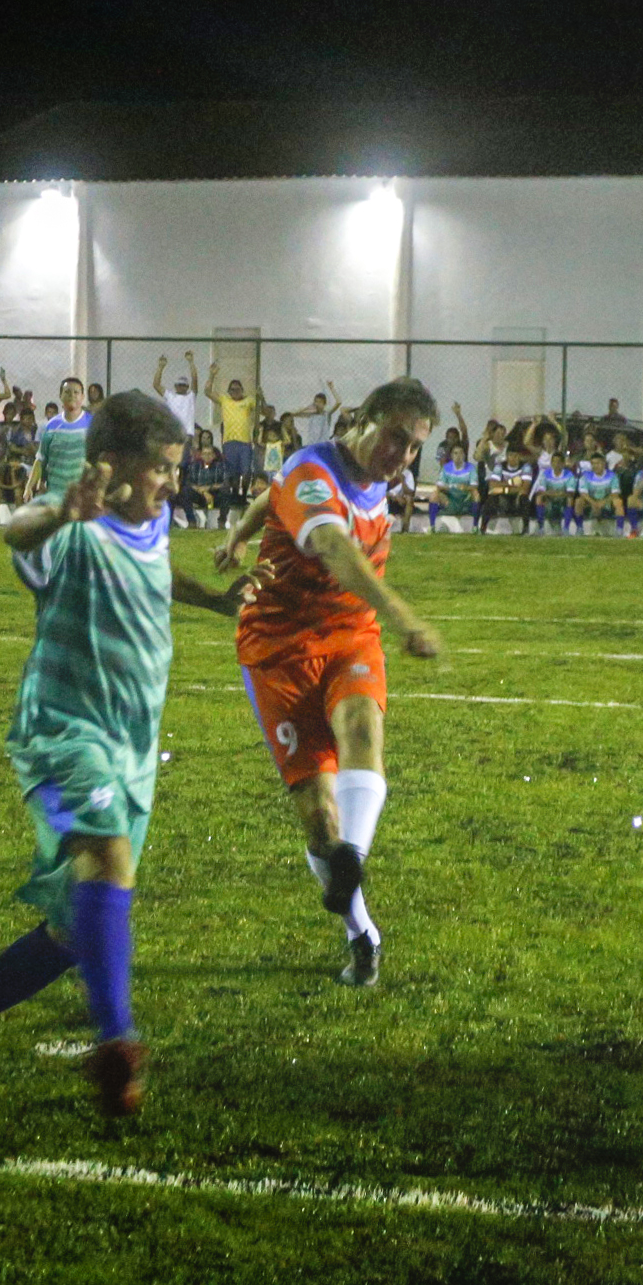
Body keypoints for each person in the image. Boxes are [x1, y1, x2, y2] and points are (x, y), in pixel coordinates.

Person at [0, 394, 246, 1122]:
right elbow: (18, 536)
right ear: (109, 467)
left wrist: (212, 600)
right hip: (62, 733)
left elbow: (154, 567)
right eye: (161, 471)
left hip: (132, 744)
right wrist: (60, 510)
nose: (172, 485)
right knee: (107, 864)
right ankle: (116, 1041)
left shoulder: (152, 518)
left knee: (74, 926)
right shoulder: (71, 526)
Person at [213, 379, 446, 987]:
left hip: (348, 636)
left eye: (415, 446)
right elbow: (336, 549)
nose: (403, 454)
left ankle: (352, 858)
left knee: (362, 729)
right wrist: (404, 617)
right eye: (395, 436)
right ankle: (362, 933)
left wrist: (239, 530)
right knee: (318, 812)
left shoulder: (359, 475)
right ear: (362, 419)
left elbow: (272, 497)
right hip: (279, 647)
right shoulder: (313, 471)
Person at [31, 376, 95, 498]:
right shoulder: (52, 426)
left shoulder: (92, 424)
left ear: (82, 397)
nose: (72, 395)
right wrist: (31, 485)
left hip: (81, 495)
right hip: (55, 493)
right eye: (67, 392)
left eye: (76, 392)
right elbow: (41, 458)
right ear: (60, 396)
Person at [205, 360, 259, 497]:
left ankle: (243, 495)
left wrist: (261, 397)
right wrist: (212, 375)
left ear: (242, 390)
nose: (235, 391)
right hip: (229, 442)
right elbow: (207, 392)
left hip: (245, 442)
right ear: (229, 391)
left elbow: (262, 410)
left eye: (238, 389)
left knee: (246, 472)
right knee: (233, 473)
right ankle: (235, 496)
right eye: (232, 389)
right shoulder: (225, 400)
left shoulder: (249, 401)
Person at [152, 351, 202, 436]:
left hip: (187, 433)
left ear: (187, 387)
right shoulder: (170, 396)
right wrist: (160, 367)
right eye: (179, 385)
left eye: (184, 385)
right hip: (173, 434)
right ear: (175, 386)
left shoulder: (191, 397)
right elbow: (156, 385)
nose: (181, 387)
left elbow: (195, 379)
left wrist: (191, 362)